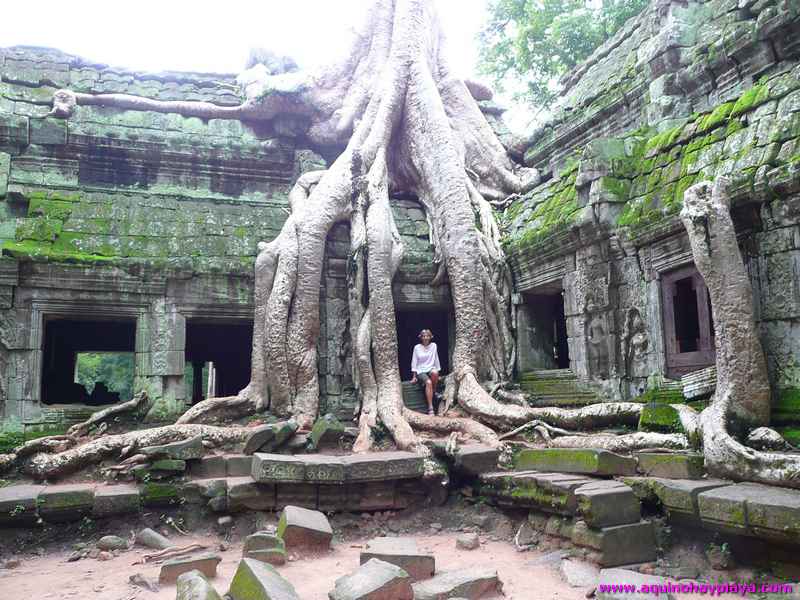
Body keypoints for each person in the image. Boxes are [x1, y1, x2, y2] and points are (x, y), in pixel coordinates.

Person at [410, 329, 440, 416]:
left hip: (430, 368)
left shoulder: (434, 346)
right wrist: (414, 376)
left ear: (430, 337)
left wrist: (438, 371)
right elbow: (414, 361)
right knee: (428, 382)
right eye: (423, 336)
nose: (425, 338)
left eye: (427, 336)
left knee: (435, 373)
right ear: (421, 337)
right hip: (421, 370)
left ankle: (433, 392)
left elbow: (436, 358)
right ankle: (431, 408)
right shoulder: (417, 347)